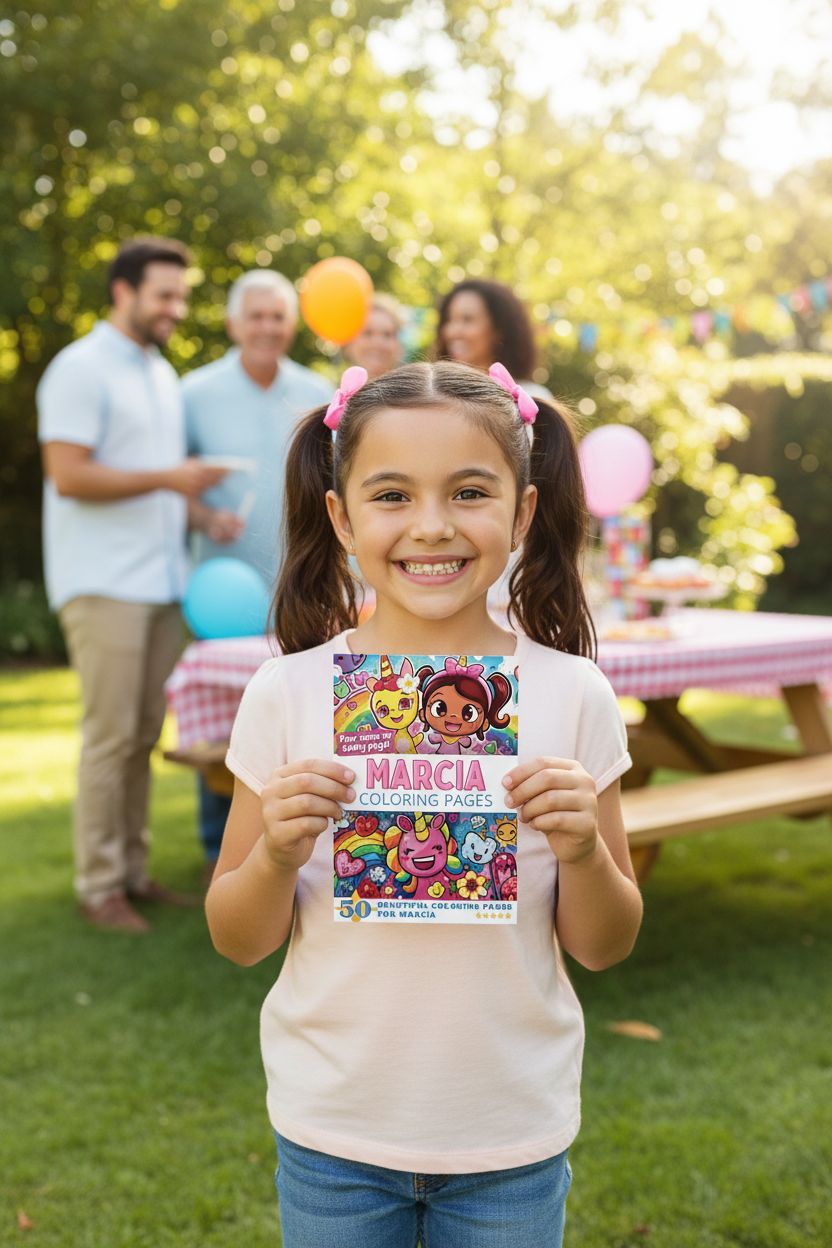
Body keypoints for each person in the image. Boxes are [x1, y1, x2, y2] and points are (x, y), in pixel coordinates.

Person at [205, 360, 643, 1246]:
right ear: (342, 517)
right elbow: (236, 937)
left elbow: (605, 946)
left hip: (509, 1131)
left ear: (521, 511)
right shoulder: (288, 695)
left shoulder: (572, 696)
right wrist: (277, 856)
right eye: (393, 495)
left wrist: (585, 853)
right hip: (333, 1127)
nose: (433, 526)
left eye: (471, 491)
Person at [37, 237, 228, 933]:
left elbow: (158, 482)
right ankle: (99, 886)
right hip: (102, 582)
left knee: (144, 733)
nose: (176, 308)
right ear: (124, 291)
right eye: (165, 295)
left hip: (160, 581)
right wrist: (172, 479)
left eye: (181, 295)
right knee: (111, 736)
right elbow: (69, 474)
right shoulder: (80, 369)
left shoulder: (157, 373)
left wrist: (203, 510)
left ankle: (134, 872)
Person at [182, 269, 333, 875]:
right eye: (256, 315)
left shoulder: (317, 391)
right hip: (222, 588)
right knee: (227, 715)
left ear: (291, 324)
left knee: (299, 709)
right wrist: (200, 513)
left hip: (300, 581)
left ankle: (302, 841)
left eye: (278, 316)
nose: (267, 327)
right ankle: (218, 844)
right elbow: (172, 480)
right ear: (233, 323)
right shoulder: (193, 393)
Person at [435, 277, 555, 400]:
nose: (454, 331)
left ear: (499, 329)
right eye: (449, 319)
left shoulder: (530, 398)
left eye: (468, 319)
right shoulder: (433, 394)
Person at [343, 293, 405, 379]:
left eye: (387, 334)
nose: (377, 343)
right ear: (350, 342)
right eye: (368, 333)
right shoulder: (329, 391)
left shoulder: (416, 391)